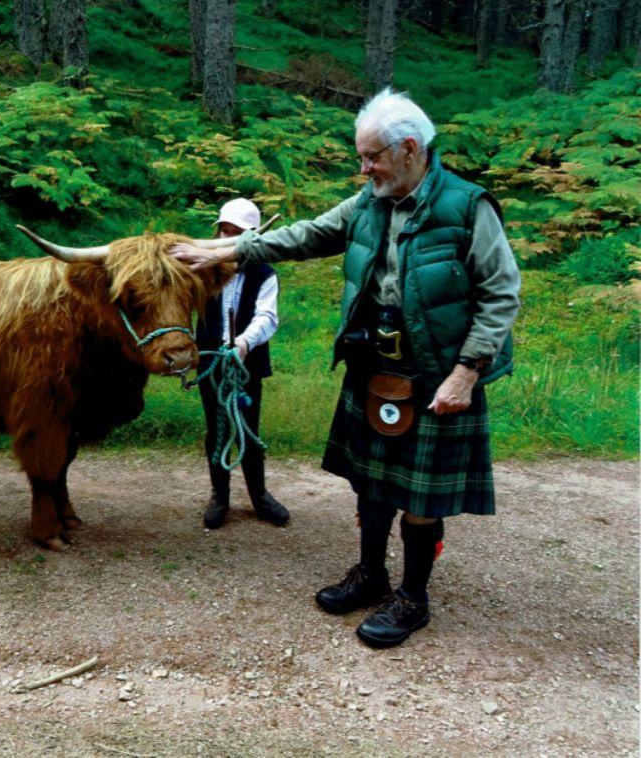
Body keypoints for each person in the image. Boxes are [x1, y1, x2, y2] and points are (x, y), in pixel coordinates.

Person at [171, 88, 521, 648]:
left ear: (409, 148)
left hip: (437, 370)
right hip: (372, 362)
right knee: (371, 482)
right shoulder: (369, 202)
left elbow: (501, 294)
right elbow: (304, 235)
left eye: (371, 157)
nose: (364, 167)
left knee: (421, 497)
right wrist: (226, 252)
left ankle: (412, 597)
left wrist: (468, 370)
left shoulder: (466, 206)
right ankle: (372, 574)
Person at [196, 198, 290, 530]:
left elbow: (268, 317)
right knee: (217, 429)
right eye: (224, 229)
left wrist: (244, 342)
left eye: (236, 231)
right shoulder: (203, 271)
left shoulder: (264, 273)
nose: (227, 236)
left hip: (245, 365)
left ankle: (259, 496)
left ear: (251, 236)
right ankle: (219, 496)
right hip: (210, 362)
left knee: (248, 428)